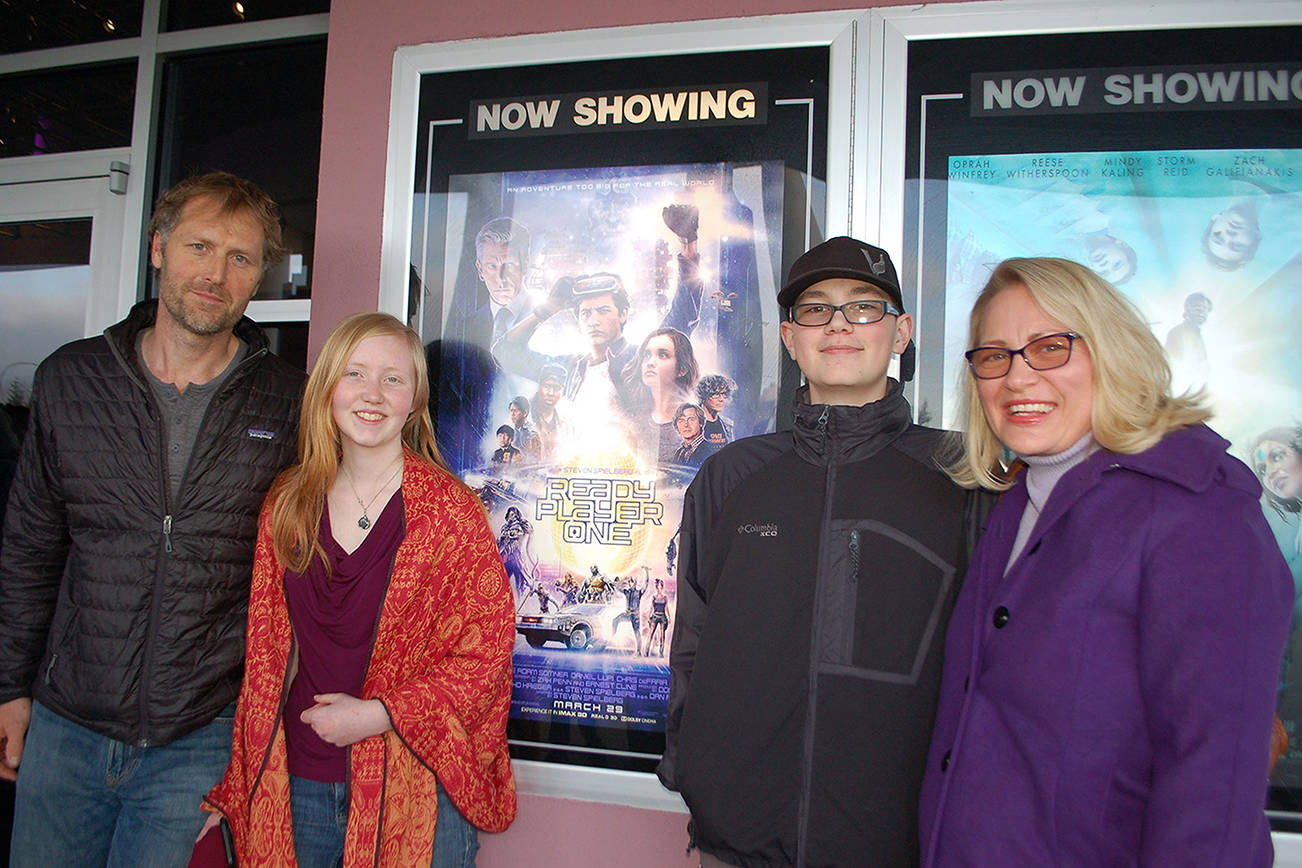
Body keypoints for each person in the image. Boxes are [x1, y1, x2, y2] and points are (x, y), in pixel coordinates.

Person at [919, 257, 1292, 866]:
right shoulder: (1014, 502)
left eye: (1050, 347)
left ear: (1113, 353)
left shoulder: (1200, 510)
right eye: (994, 356)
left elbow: (1213, 780)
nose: (1017, 378)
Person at [0, 172, 306, 866]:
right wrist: (10, 688)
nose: (215, 274)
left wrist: (256, 735)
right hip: (66, 723)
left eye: (240, 257)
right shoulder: (71, 379)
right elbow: (30, 548)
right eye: (199, 246)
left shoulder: (291, 402)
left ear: (258, 275)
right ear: (159, 247)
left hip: (200, 733)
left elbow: (306, 574)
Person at [658, 236, 989, 867]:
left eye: (863, 307)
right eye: (816, 310)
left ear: (901, 333)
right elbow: (693, 640)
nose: (839, 324)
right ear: (790, 337)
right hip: (739, 838)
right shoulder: (733, 475)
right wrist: (691, 771)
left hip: (898, 842)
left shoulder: (961, 476)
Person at [203, 312, 516, 867]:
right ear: (328, 386)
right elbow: (270, 654)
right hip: (299, 779)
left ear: (415, 400)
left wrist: (379, 714)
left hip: (416, 783)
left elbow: (485, 657)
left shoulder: (451, 513)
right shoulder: (288, 501)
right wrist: (241, 777)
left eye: (393, 379)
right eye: (355, 374)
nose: (372, 394)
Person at [496, 273, 640, 416]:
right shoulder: (569, 367)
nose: (593, 321)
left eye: (603, 311)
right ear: (578, 319)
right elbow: (503, 353)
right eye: (586, 313)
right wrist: (547, 309)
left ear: (623, 314)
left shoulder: (642, 360)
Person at [625, 327, 699, 465]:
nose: (650, 363)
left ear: (682, 369)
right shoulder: (631, 421)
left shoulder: (699, 425)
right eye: (646, 355)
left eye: (663, 355)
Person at [497, 504, 538, 596]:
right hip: (506, 557)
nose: (512, 517)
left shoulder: (519, 526)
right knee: (503, 580)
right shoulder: (504, 527)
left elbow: (518, 533)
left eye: (514, 515)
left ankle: (524, 593)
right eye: (510, 515)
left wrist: (509, 534)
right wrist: (502, 538)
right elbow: (500, 541)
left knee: (519, 583)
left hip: (516, 558)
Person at [695, 374, 736, 451]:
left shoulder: (728, 424)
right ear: (704, 395)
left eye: (724, 394)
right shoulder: (691, 423)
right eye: (716, 394)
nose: (721, 399)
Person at [611, 573, 650, 656]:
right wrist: (622, 580)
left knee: (636, 632)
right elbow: (617, 587)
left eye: (631, 582)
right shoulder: (627, 592)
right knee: (615, 620)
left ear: (634, 582)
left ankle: (639, 652)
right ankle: (612, 636)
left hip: (635, 615)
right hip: (628, 614)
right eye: (628, 582)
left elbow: (646, 584)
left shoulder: (639, 592)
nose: (629, 584)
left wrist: (646, 573)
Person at [670, 403, 712, 469]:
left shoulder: (710, 450)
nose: (686, 425)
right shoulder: (678, 453)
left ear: (701, 423)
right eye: (681, 420)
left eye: (691, 419)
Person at [508, 396, 540, 460]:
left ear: (525, 413)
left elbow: (536, 459)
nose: (512, 414)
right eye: (511, 410)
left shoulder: (532, 433)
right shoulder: (511, 431)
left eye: (515, 411)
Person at [646, 578, 671, 658]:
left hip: (662, 616)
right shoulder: (654, 597)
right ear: (656, 587)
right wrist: (648, 616)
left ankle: (661, 652)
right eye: (658, 587)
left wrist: (669, 617)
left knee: (662, 635)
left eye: (661, 587)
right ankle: (646, 651)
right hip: (655, 615)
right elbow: (651, 607)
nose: (660, 588)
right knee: (651, 633)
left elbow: (666, 607)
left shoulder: (665, 597)